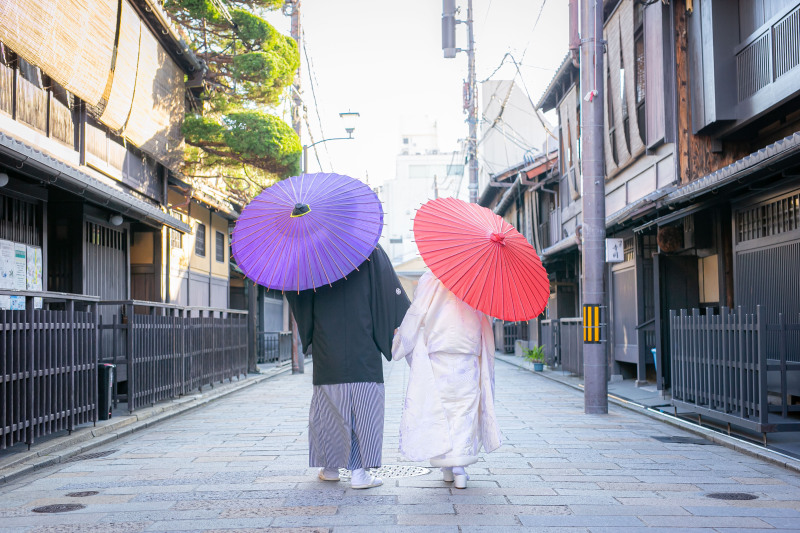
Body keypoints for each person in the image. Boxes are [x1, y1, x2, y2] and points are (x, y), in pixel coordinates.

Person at [286, 244, 410, 490]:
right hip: (362, 344)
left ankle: (330, 468)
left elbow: (298, 292)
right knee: (363, 409)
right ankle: (359, 473)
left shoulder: (312, 251)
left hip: (327, 346)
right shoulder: (369, 249)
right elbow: (389, 292)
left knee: (329, 409)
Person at [391, 270, 502, 489]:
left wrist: (400, 344)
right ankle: (459, 468)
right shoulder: (478, 277)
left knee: (441, 408)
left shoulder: (431, 277)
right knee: (464, 409)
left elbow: (417, 312)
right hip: (467, 352)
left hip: (438, 351)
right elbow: (487, 315)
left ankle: (446, 467)